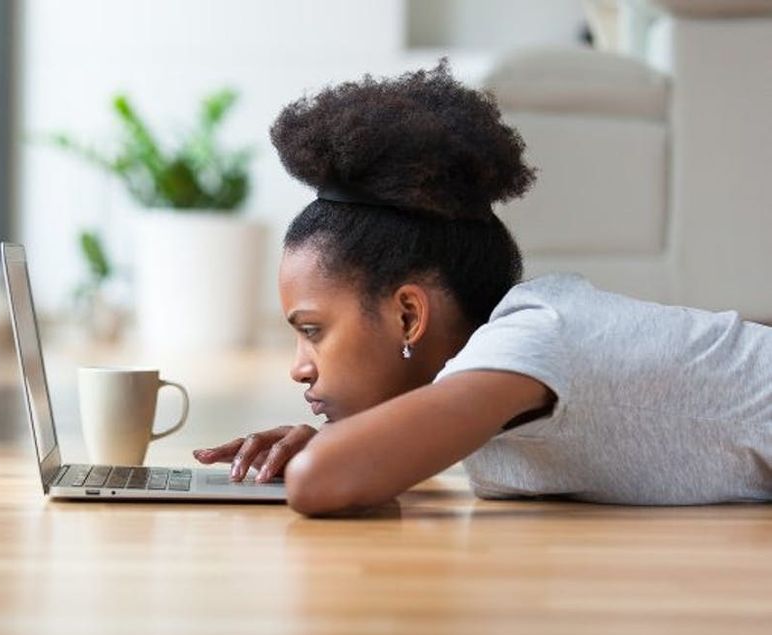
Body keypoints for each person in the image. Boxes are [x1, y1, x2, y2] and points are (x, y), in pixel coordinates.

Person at [192, 59, 772, 517]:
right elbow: (363, 472)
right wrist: (339, 444)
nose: (299, 368)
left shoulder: (533, 337)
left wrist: (325, 456)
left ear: (408, 316)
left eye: (313, 332)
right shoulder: (488, 379)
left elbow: (323, 483)